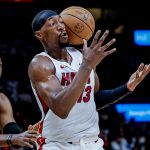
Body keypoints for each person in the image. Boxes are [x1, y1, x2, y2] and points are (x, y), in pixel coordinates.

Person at [29, 9, 150, 150]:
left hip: (92, 143)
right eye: (53, 23)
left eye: (62, 21)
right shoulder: (40, 64)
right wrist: (87, 65)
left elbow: (93, 100)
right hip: (58, 144)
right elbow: (61, 108)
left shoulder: (82, 56)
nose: (61, 26)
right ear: (39, 34)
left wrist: (127, 87)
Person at [0, 57, 40, 148]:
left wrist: (27, 136)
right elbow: (13, 138)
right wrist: (15, 138)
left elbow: (13, 134)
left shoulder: (1, 100)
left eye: (0, 65)